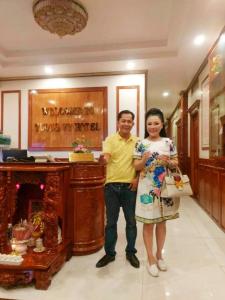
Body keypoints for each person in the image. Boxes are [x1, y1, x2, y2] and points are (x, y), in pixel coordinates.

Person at [133, 108, 179, 277]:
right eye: (149, 124)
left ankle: (160, 255)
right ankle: (150, 258)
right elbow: (136, 167)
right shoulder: (140, 143)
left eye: (156, 123)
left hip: (164, 188)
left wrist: (170, 163)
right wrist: (144, 159)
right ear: (146, 125)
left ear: (162, 124)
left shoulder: (168, 142)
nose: (152, 126)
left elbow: (176, 161)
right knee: (148, 223)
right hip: (146, 188)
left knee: (162, 222)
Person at [96, 110, 140, 268]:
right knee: (111, 223)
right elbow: (106, 157)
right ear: (118, 122)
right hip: (111, 187)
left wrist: (137, 178)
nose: (126, 124)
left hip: (130, 187)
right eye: (124, 121)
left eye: (129, 121)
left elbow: (140, 164)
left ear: (133, 124)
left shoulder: (138, 141)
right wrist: (102, 160)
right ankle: (109, 254)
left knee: (131, 222)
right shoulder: (110, 140)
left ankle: (131, 252)